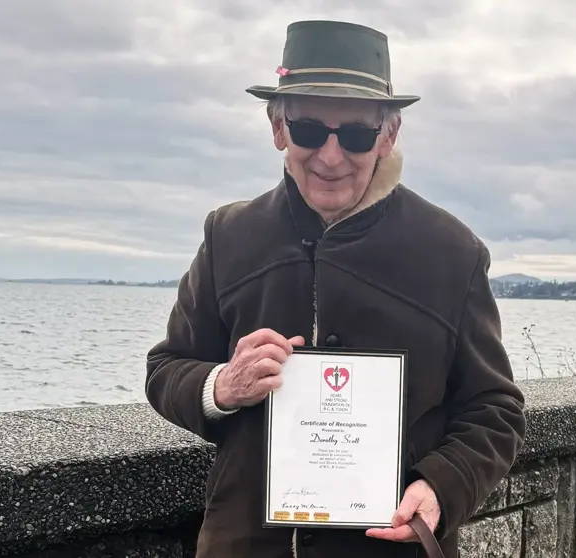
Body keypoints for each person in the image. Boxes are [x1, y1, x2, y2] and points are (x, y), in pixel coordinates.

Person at [146, 19, 527, 558]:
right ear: (278, 128)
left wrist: (441, 485)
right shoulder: (229, 235)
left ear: (388, 134)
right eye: (307, 131)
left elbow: (494, 407)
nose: (329, 156)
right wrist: (222, 386)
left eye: (355, 134)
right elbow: (167, 368)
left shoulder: (452, 251)